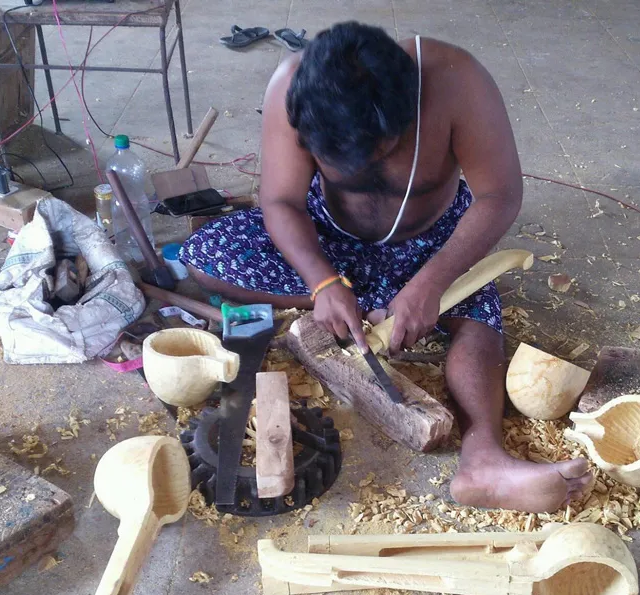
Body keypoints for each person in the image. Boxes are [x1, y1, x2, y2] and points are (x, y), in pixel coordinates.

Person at [180, 21, 592, 513]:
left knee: (477, 309)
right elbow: (281, 201)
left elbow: (500, 196)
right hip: (330, 237)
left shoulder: (457, 82)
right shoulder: (292, 87)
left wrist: (433, 282)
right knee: (206, 259)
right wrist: (323, 282)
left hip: (429, 242)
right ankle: (370, 303)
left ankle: (483, 456)